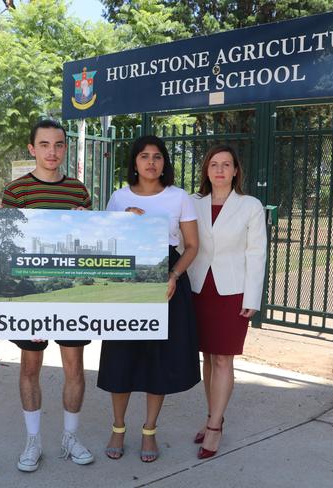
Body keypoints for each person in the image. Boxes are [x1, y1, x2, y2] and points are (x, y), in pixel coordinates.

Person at [97, 134, 201, 463]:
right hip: (127, 276)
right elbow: (105, 243)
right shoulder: (118, 197)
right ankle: (117, 427)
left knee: (158, 358)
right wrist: (122, 220)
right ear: (134, 162)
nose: (151, 162)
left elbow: (192, 246)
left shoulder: (179, 197)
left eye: (157, 156)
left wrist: (173, 276)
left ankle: (149, 431)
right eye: (144, 156)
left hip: (166, 277)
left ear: (164, 163)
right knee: (121, 355)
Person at [2, 119, 94, 472]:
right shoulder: (17, 191)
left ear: (65, 148)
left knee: (75, 367)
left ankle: (70, 438)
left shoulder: (78, 191)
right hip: (31, 293)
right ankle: (33, 440)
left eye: (58, 145)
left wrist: (86, 221)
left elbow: (87, 246)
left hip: (70, 293)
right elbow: (9, 247)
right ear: (32, 148)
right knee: (30, 367)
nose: (51, 151)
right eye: (44, 145)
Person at [187, 144, 266, 459]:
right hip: (198, 289)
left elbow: (256, 253)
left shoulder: (250, 206)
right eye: (213, 164)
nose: (219, 170)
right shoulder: (193, 204)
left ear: (236, 170)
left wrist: (253, 297)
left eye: (226, 164)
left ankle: (216, 426)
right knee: (207, 357)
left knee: (223, 359)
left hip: (232, 292)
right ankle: (211, 416)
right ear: (206, 170)